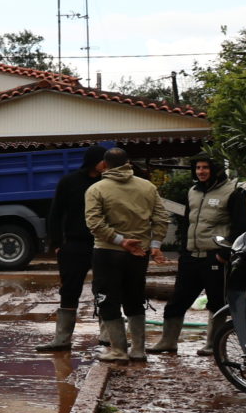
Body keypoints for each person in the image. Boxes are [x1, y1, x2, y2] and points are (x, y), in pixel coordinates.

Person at [159, 156, 246, 354]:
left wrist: (225, 253)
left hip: (215, 256)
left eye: (205, 167)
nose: (201, 171)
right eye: (198, 168)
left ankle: (212, 344)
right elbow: (187, 223)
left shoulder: (233, 191)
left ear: (215, 169)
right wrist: (184, 250)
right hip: (190, 256)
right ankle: (168, 341)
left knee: (216, 302)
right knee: (177, 300)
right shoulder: (193, 191)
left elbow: (240, 226)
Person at [83, 148, 163, 364]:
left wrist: (120, 241)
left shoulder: (96, 189)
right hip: (139, 252)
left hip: (107, 252)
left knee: (107, 300)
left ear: (105, 165)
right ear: (128, 163)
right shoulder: (148, 187)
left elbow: (94, 223)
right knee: (135, 299)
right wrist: (155, 245)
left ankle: (118, 350)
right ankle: (138, 350)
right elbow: (161, 217)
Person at [36, 149, 108, 353]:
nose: (106, 164)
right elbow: (56, 212)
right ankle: (62, 339)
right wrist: (57, 242)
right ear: (93, 161)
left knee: (105, 288)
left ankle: (108, 336)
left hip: (103, 243)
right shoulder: (69, 181)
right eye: (103, 160)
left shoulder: (108, 182)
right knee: (69, 289)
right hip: (74, 243)